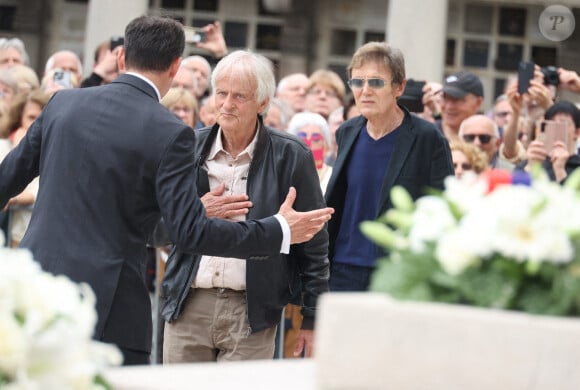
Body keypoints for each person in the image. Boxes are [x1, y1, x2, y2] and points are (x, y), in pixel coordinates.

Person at [0, 15, 333, 365]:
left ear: (121, 57)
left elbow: (5, 180)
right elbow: (189, 232)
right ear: (176, 67)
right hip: (111, 306)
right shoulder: (169, 131)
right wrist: (278, 230)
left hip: (37, 291)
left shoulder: (62, 104)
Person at [162, 50, 329, 363]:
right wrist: (197, 211)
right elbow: (158, 224)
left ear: (263, 103)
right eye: (221, 93)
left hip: (252, 310)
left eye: (239, 96)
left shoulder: (291, 157)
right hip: (189, 303)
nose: (226, 104)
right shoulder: (185, 148)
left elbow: (314, 245)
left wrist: (312, 316)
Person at [325, 41, 453, 291]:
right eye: (357, 82)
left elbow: (443, 207)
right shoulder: (347, 132)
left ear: (399, 86)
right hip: (342, 269)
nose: (365, 90)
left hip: (397, 270)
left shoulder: (428, 138)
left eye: (375, 82)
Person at [517, 101, 580, 183]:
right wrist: (530, 166)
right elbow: (516, 191)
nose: (557, 129)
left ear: (577, 132)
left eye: (563, 124)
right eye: (552, 124)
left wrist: (560, 171)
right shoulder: (533, 161)